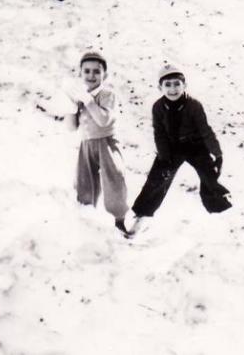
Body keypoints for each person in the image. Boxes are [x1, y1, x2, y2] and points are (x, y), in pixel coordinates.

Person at [130, 64, 231, 233]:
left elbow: (205, 130)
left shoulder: (194, 105)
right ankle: (143, 215)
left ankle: (220, 210)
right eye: (167, 85)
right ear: (159, 87)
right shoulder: (158, 107)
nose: (172, 89)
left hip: (195, 145)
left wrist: (217, 153)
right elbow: (159, 133)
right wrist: (164, 157)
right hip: (171, 146)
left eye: (177, 83)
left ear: (185, 85)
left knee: (209, 175)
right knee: (158, 178)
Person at [63, 51, 130, 236]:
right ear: (80, 74)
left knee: (113, 179)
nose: (91, 76)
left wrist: (89, 101)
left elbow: (103, 120)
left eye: (96, 72)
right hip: (86, 143)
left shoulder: (107, 95)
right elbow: (71, 127)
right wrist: (70, 108)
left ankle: (119, 220)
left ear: (104, 75)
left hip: (106, 142)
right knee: (84, 181)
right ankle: (86, 219)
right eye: (87, 71)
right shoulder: (81, 97)